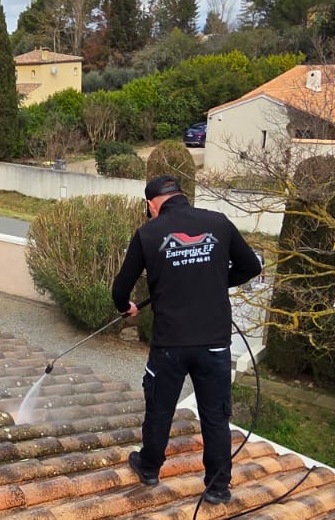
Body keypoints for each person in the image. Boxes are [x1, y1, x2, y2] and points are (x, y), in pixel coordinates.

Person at [111, 173, 262, 502]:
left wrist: (127, 308)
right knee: (215, 416)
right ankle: (218, 487)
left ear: (152, 205)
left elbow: (120, 289)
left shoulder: (148, 233)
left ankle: (149, 468)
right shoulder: (219, 223)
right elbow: (251, 266)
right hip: (215, 343)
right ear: (181, 196)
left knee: (160, 409)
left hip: (170, 345)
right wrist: (216, 280)